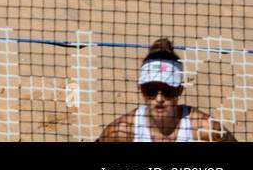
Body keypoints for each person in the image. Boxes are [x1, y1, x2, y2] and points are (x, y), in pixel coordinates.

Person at [97, 37, 236, 142]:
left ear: (179, 90)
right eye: (150, 90)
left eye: (167, 90)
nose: (159, 99)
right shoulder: (122, 131)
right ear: (140, 89)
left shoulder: (205, 127)